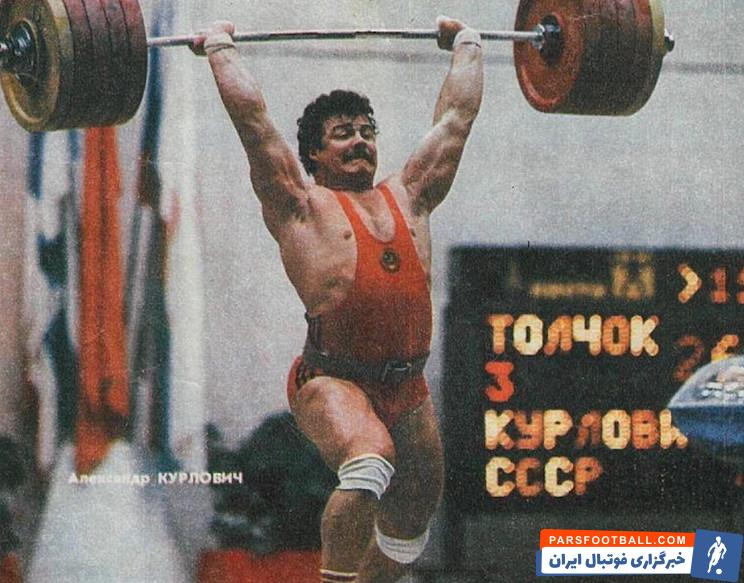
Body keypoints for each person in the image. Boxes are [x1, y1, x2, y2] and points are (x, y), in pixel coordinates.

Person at [193, 15, 483, 583]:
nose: (360, 141)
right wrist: (221, 50)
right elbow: (255, 125)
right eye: (343, 133)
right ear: (315, 155)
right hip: (332, 379)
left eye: (366, 131)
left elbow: (456, 119)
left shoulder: (410, 196)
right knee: (370, 462)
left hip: (408, 385)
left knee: (413, 520)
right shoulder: (300, 207)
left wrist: (468, 44)